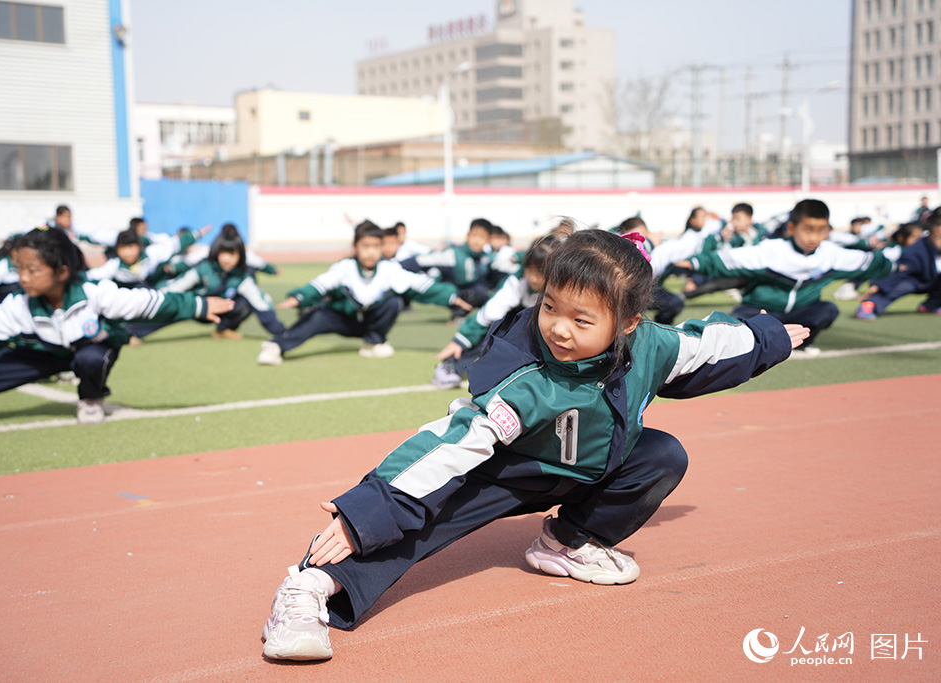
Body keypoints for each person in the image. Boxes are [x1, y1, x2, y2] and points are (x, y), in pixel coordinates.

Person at [260, 227, 809, 661]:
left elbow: (709, 343)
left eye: (580, 318)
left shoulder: (652, 346)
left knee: (662, 455)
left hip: (582, 465)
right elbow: (453, 443)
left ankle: (566, 540)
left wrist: (772, 336)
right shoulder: (526, 378)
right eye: (550, 307)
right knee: (424, 518)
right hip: (505, 466)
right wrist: (365, 512)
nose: (558, 329)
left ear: (627, 324)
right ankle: (310, 586)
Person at [0, 228, 232, 424]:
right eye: (20, 269)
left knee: (91, 358)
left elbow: (149, 302)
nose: (23, 277)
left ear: (62, 271)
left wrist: (199, 305)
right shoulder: (18, 306)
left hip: (90, 346)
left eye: (32, 270)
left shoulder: (96, 294)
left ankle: (91, 398)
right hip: (45, 353)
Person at [677, 199, 893, 355]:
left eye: (820, 230)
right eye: (808, 230)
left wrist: (891, 264)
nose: (814, 237)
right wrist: (695, 262)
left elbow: (870, 262)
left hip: (801, 312)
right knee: (734, 325)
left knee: (828, 309)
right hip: (764, 310)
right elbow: (729, 259)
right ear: (791, 228)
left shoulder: (831, 254)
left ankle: (802, 342)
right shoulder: (772, 250)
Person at [257, 221, 471, 365]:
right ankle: (276, 346)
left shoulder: (389, 268)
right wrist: (300, 297)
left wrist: (451, 297)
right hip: (342, 320)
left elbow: (420, 285)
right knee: (318, 316)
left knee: (394, 302)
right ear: (355, 246)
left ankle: (373, 342)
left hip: (369, 323)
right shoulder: (345, 267)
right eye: (365, 246)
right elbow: (321, 284)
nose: (371, 251)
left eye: (376, 246)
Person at [432, 232, 558, 389]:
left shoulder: (562, 289)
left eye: (540, 271)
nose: (533, 277)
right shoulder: (518, 281)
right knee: (496, 326)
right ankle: (452, 366)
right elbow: (490, 312)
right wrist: (460, 340)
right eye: (530, 269)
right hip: (524, 326)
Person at [155, 224, 284, 341]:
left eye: (232, 254)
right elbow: (178, 284)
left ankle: (222, 329)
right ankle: (136, 330)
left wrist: (281, 332)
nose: (227, 258)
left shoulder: (242, 276)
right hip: (198, 307)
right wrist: (154, 296)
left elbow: (259, 299)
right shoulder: (204, 267)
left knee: (247, 302)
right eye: (223, 253)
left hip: (221, 310)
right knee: (174, 303)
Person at [399, 218, 493, 318]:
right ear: (468, 235)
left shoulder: (485, 257)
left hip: (466, 289)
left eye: (482, 237)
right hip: (448, 290)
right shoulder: (453, 254)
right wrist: (398, 266)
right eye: (474, 235)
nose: (477, 240)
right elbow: (420, 261)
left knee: (484, 293)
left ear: (488, 240)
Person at [855, 216, 941, 319]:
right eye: (938, 237)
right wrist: (878, 285)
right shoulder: (916, 251)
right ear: (930, 235)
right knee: (899, 286)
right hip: (916, 280)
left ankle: (929, 306)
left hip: (934, 281)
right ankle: (870, 305)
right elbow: (901, 271)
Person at [87, 225, 208, 289]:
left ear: (139, 246)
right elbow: (92, 276)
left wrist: (196, 234)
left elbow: (174, 245)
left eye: (131, 247)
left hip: (152, 291)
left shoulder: (151, 254)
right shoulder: (114, 267)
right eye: (123, 248)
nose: (128, 252)